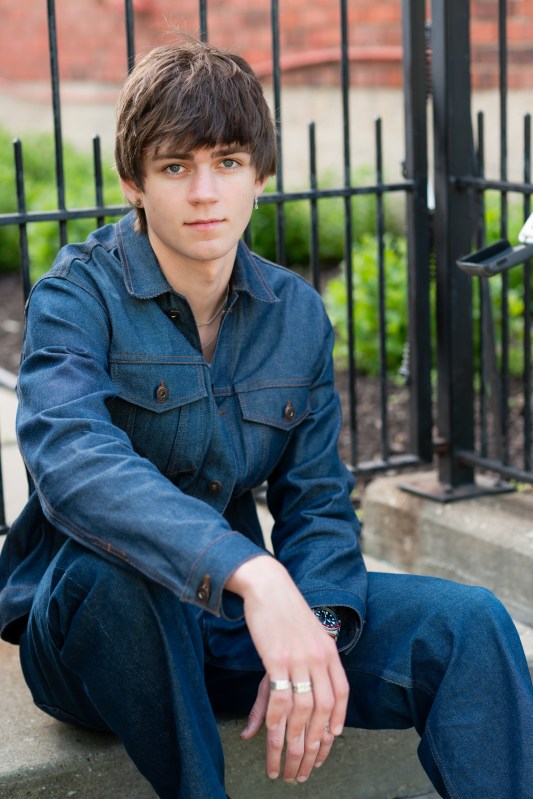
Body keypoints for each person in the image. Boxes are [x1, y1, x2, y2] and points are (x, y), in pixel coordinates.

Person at [0, 35, 531, 799]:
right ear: (133, 182)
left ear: (260, 174)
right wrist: (253, 573)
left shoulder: (295, 315)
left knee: (467, 622)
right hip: (93, 634)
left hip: (227, 623)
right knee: (120, 574)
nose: (204, 193)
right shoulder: (77, 296)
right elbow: (72, 461)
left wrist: (315, 625)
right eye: (175, 167)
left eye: (226, 162)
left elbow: (317, 499)